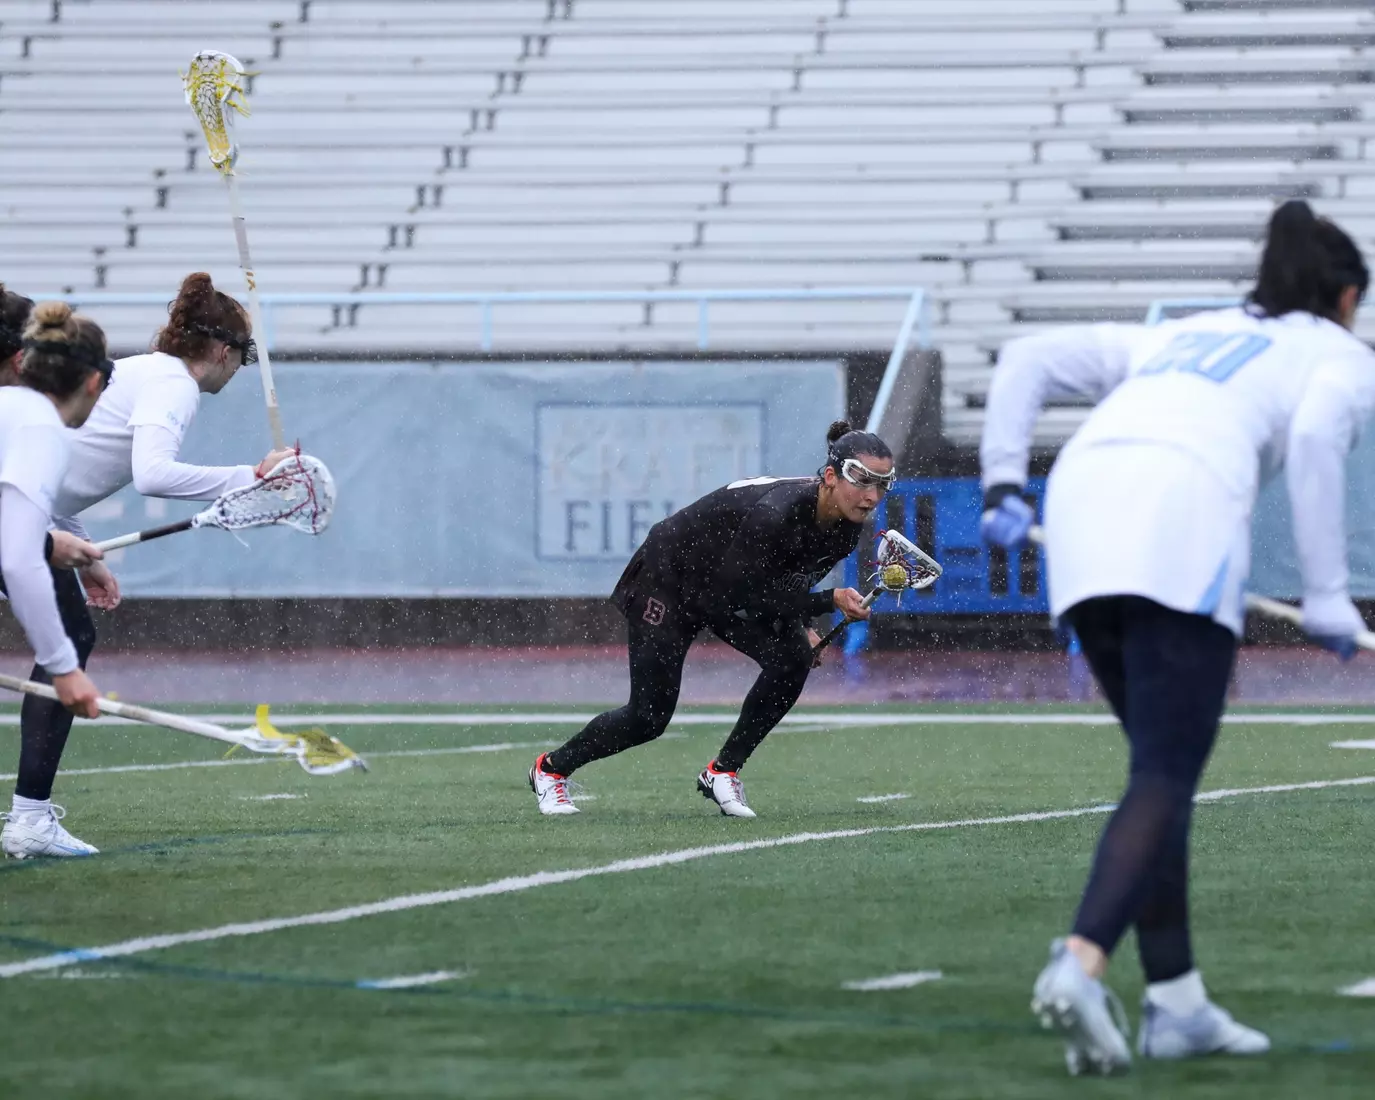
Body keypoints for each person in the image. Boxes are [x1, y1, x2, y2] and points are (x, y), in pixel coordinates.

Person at [979, 199, 1375, 1073]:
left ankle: (1177, 1002)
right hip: (1181, 516)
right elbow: (1312, 441)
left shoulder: (1184, 334)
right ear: (1347, 296)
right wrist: (1326, 596)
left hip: (1079, 508)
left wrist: (1004, 482)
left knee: (1158, 771)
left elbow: (1025, 358)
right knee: (1164, 771)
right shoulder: (1342, 354)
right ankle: (1082, 960)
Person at [5, 272, 293, 858]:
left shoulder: (137, 372)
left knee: (73, 627)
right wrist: (251, 476)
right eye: (239, 357)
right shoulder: (172, 384)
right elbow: (154, 474)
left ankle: (31, 816)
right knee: (71, 632)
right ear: (221, 350)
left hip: (32, 514)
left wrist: (75, 549)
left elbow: (53, 484)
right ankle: (30, 817)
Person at [529, 420, 893, 817]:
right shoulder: (775, 514)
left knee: (793, 660)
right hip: (669, 580)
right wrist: (828, 601)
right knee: (648, 718)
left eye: (882, 484)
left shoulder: (845, 527)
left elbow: (785, 580)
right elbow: (747, 595)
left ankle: (723, 771)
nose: (871, 496)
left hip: (728, 585)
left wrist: (804, 624)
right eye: (862, 480)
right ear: (829, 476)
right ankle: (550, 769)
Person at [0, 301, 112, 859]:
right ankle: (29, 821)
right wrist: (64, 669)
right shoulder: (41, 429)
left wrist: (56, 540)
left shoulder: (10, 408)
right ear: (92, 383)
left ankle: (30, 820)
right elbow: (19, 561)